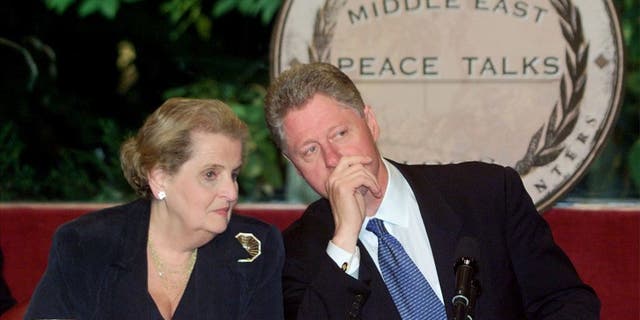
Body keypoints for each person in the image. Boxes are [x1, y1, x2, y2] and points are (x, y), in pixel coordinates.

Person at [264, 62, 600, 319]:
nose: (333, 159)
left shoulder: (488, 193)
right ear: (293, 164)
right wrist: (346, 237)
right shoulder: (292, 254)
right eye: (310, 150)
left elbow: (566, 302)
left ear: (371, 123)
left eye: (340, 133)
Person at [26, 98, 285, 319]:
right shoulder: (87, 245)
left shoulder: (254, 249)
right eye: (210, 174)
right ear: (160, 178)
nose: (231, 193)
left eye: (234, 174)